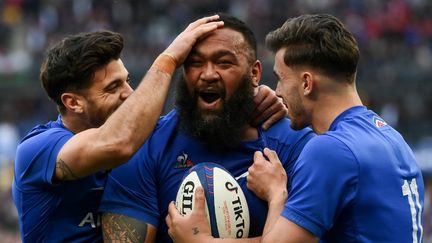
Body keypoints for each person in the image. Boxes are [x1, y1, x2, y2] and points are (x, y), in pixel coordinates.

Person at [12, 15, 286, 242]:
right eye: (112, 88)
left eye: (127, 81)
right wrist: (167, 60)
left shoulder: (147, 143)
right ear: (73, 103)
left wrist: (251, 95)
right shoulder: (39, 150)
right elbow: (118, 142)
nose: (129, 94)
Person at [166, 14, 425, 243]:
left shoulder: (331, 150)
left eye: (280, 79)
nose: (276, 91)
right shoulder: (391, 138)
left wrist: (276, 193)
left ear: (306, 83)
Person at [98, 13, 315, 243]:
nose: (209, 74)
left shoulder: (296, 146)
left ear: (254, 73)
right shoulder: (147, 146)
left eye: (224, 63)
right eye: (195, 63)